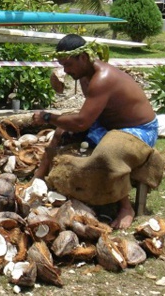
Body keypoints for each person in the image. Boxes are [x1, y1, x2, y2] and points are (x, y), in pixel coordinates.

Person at [32, 34, 158, 230]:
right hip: (108, 124)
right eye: (62, 66)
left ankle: (126, 208)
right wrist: (60, 123)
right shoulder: (83, 75)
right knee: (60, 132)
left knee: (108, 152)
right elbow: (88, 115)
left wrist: (48, 117)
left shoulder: (103, 78)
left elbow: (82, 122)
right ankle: (38, 180)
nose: (66, 70)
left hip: (139, 130)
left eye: (68, 65)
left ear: (83, 58)